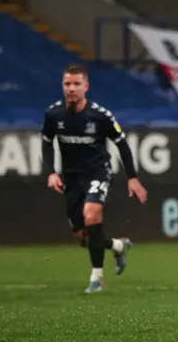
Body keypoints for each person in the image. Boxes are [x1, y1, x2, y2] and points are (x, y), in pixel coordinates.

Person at [42, 64, 148, 294]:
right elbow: (47, 141)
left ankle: (97, 278)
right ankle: (118, 246)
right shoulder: (53, 114)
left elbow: (122, 143)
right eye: (67, 84)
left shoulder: (100, 116)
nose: (71, 89)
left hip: (97, 172)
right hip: (71, 178)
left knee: (91, 214)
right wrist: (51, 172)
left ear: (86, 87)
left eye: (76, 84)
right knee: (84, 237)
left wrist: (132, 177)